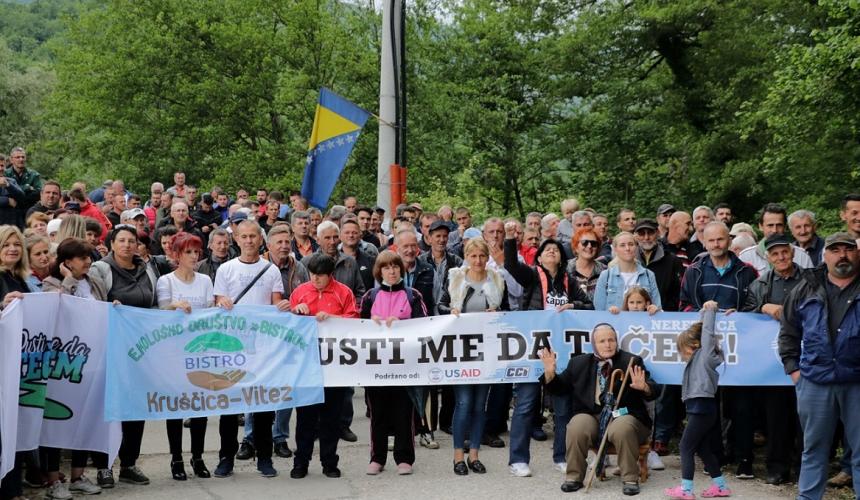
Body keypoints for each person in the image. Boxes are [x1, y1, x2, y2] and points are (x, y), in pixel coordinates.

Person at [502, 222, 592, 477]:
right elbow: (511, 266)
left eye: (556, 249)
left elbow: (590, 306)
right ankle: (518, 459)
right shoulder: (531, 276)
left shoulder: (570, 282)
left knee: (563, 407)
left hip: (562, 355)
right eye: (547, 249)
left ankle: (562, 456)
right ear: (539, 256)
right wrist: (510, 239)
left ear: (562, 256)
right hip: (533, 351)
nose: (552, 251)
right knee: (526, 404)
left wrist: (574, 305)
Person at [780, 232, 860, 500]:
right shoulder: (805, 288)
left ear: (856, 253)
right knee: (813, 451)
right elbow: (789, 332)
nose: (842, 255)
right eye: (835, 250)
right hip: (814, 382)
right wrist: (794, 370)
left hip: (857, 383)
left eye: (847, 250)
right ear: (824, 256)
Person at [540, 323, 656, 496]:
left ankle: (630, 478)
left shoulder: (631, 361)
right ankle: (574, 477)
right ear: (594, 344)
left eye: (611, 340)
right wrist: (550, 373)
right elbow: (559, 389)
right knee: (577, 425)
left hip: (626, 415)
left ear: (616, 342)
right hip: (591, 415)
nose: (607, 344)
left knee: (621, 427)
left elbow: (654, 390)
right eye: (602, 341)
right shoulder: (578, 363)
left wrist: (644, 387)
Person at [680, 221, 758, 478]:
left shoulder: (746, 271)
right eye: (711, 240)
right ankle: (715, 457)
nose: (716, 244)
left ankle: (744, 459)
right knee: (708, 402)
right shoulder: (694, 271)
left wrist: (742, 313)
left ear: (729, 240)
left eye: (720, 240)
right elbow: (684, 307)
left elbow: (754, 305)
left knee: (742, 405)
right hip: (704, 351)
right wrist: (702, 311)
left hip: (739, 349)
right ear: (704, 242)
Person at [211, 220, 287, 479]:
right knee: (229, 408)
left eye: (253, 236)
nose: (249, 241)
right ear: (237, 240)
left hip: (263, 348)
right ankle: (225, 459)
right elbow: (217, 300)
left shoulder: (271, 270)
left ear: (260, 238)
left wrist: (283, 307)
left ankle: (264, 458)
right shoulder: (225, 269)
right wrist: (222, 301)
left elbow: (276, 303)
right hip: (232, 349)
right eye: (244, 236)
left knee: (264, 407)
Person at [89, 225, 160, 487]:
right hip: (109, 349)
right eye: (122, 240)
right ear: (111, 244)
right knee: (108, 410)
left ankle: (129, 464)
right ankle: (103, 466)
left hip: (140, 351)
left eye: (133, 241)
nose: (128, 245)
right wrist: (110, 307)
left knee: (135, 408)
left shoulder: (147, 270)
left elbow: (153, 304)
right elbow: (93, 304)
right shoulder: (102, 270)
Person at [39, 238, 107, 497]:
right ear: (66, 262)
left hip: (93, 361)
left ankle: (78, 475)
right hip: (64, 366)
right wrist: (68, 280)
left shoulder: (95, 283)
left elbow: (100, 311)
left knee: (84, 419)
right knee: (58, 420)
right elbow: (55, 311)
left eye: (89, 256)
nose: (88, 261)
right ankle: (54, 480)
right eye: (81, 258)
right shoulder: (51, 284)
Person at [438, 237, 509, 476]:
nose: (478, 260)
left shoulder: (497, 279)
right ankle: (458, 456)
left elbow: (507, 311)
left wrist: (497, 311)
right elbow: (440, 305)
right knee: (464, 402)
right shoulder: (455, 278)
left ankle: (475, 455)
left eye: (482, 256)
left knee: (480, 405)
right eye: (473, 256)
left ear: (487, 257)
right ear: (466, 257)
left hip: (487, 350)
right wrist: (452, 310)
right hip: (461, 350)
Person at [289, 253, 358, 480]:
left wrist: (333, 319)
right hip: (306, 365)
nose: (315, 279)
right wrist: (296, 312)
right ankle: (301, 462)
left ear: (331, 275)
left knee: (331, 418)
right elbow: (288, 326)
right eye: (312, 274)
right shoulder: (300, 292)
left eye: (320, 276)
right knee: (305, 418)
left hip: (335, 366)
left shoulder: (344, 293)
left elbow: (354, 321)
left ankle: (329, 462)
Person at [741, 234, 802, 485]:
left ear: (792, 252)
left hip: (804, 358)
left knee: (803, 418)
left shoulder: (811, 280)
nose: (781, 257)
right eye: (775, 254)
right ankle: (777, 468)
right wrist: (762, 308)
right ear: (768, 257)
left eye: (784, 252)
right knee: (775, 419)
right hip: (771, 363)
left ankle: (803, 468)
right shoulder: (760, 285)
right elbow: (745, 318)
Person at [360, 251, 428, 475]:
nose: (391, 271)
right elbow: (356, 327)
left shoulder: (413, 295)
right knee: (378, 413)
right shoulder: (370, 296)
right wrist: (371, 323)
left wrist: (403, 324)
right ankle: (377, 458)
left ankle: (404, 458)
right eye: (386, 267)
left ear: (401, 269)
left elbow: (425, 326)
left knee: (403, 413)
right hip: (376, 368)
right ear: (379, 272)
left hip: (405, 367)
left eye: (395, 267)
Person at [155, 233, 213, 481]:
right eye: (188, 252)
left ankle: (197, 456)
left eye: (196, 252)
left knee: (200, 406)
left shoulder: (205, 280)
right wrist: (174, 306)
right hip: (174, 351)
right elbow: (160, 312)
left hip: (200, 350)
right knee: (176, 408)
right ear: (177, 255)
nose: (194, 256)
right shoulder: (166, 281)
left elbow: (210, 313)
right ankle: (176, 457)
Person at [664, 302, 732, 499]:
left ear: (694, 346)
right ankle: (720, 486)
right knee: (702, 448)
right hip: (700, 408)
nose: (681, 355)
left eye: (682, 350)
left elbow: (707, 333)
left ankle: (686, 490)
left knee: (685, 447)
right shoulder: (698, 359)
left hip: (702, 408)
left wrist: (710, 310)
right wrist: (703, 313)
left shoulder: (706, 356)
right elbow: (703, 330)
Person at [0, 226, 35, 500]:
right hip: (3, 365)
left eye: (16, 244)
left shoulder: (21, 278)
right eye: (6, 245)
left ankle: (14, 488)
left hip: (19, 364)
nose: (12, 249)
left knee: (16, 428)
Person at [593, 232, 662, 313]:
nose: (627, 248)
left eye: (631, 244)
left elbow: (658, 307)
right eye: (622, 245)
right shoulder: (605, 275)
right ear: (615, 249)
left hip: (643, 324)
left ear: (636, 247)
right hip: (613, 324)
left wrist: (654, 309)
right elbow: (599, 310)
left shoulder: (649, 275)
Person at [738, 203, 813, 274]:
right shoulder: (746, 256)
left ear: (785, 227)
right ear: (760, 226)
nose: (775, 230)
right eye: (770, 225)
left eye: (779, 225)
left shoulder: (802, 256)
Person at [634, 218, 683, 311]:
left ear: (657, 233)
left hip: (664, 317)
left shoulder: (672, 260)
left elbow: (679, 293)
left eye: (650, 233)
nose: (646, 237)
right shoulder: (630, 260)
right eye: (641, 233)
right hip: (635, 317)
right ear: (635, 236)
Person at [567, 227, 607, 301]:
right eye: (584, 242)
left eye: (593, 243)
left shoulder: (605, 272)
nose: (589, 246)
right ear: (576, 247)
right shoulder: (564, 269)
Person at [6, 147, 43, 221]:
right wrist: (27, 188)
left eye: (23, 157)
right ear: (11, 160)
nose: (21, 159)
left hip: (28, 212)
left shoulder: (34, 175)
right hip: (9, 212)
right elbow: (4, 193)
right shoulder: (5, 174)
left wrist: (16, 194)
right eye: (18, 157)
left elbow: (39, 193)